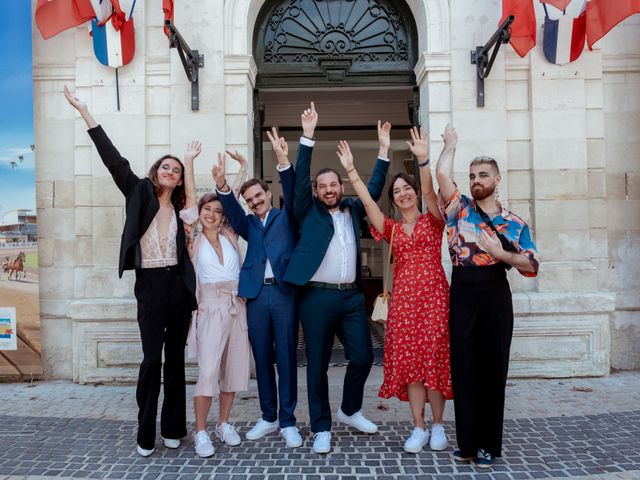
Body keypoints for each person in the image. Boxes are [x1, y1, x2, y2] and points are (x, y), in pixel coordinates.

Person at [63, 86, 196, 457]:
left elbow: (195, 215)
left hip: (178, 288)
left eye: (177, 169)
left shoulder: (183, 209)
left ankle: (173, 428)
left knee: (175, 361)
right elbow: (112, 159)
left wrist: (191, 163)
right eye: (166, 166)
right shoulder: (139, 191)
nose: (171, 171)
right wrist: (84, 111)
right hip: (150, 285)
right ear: (157, 172)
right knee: (152, 359)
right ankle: (145, 432)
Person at [336, 127, 452, 454]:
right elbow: (367, 203)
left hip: (434, 302)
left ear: (414, 192)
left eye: (406, 188)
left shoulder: (434, 219)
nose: (402, 193)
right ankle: (418, 427)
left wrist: (423, 159)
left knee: (435, 363)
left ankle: (440, 426)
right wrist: (351, 171)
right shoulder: (391, 229)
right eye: (397, 191)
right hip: (403, 305)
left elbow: (431, 192)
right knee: (413, 368)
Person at [283, 103, 390, 454]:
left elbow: (372, 189)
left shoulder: (352, 209)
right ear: (315, 191)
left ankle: (349, 410)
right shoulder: (306, 211)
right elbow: (299, 179)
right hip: (316, 298)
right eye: (322, 185)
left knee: (363, 358)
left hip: (350, 299)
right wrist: (308, 135)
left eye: (333, 184)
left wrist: (384, 151)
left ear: (341, 186)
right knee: (316, 365)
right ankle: (321, 426)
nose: (329, 189)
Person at [435, 125, 539, 468]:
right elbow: (441, 174)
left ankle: (489, 446)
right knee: (464, 369)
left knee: (493, 370)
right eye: (472, 175)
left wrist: (502, 254)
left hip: (495, 293)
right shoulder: (459, 210)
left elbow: (532, 263)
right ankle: (467, 444)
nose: (476, 179)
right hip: (462, 291)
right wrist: (450, 145)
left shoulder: (513, 222)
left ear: (497, 179)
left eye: (483, 174)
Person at [213, 128, 302, 449]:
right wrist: (224, 183)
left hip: (284, 294)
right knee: (262, 357)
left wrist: (282, 159)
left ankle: (289, 420)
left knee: (287, 358)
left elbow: (291, 190)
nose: (255, 202)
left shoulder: (286, 217)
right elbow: (231, 210)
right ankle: (268, 416)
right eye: (250, 200)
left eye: (258, 197)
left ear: (268, 194)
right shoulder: (247, 223)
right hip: (255, 295)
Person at [179, 147, 251, 458]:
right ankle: (201, 431)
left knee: (232, 369)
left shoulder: (230, 234)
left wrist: (243, 166)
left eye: (217, 211)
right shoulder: (193, 234)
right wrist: (189, 162)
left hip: (237, 305)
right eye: (207, 210)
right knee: (208, 371)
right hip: (209, 306)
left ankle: (223, 423)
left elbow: (231, 196)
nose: (212, 215)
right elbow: (192, 197)